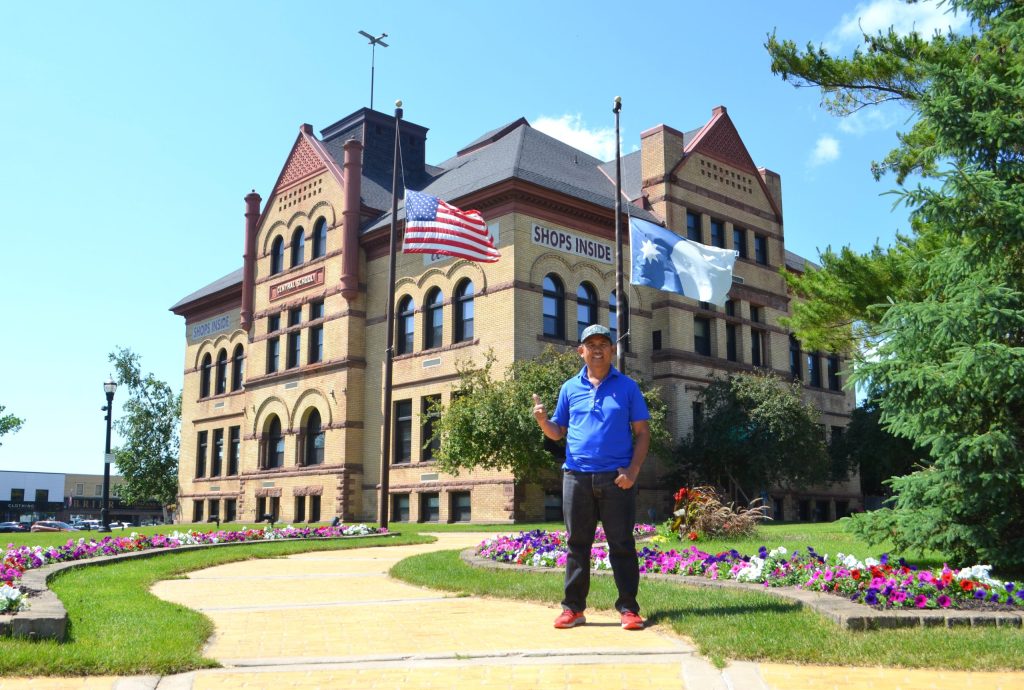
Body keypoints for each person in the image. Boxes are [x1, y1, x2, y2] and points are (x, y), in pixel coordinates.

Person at [532, 323, 651, 631]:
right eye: (591, 344)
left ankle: (629, 609)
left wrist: (633, 471)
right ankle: (573, 609)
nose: (597, 348)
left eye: (603, 343)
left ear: (612, 350)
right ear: (581, 351)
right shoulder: (569, 389)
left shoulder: (627, 387)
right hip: (576, 477)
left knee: (622, 544)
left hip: (617, 479)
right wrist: (544, 421)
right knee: (576, 544)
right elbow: (558, 432)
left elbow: (642, 433)